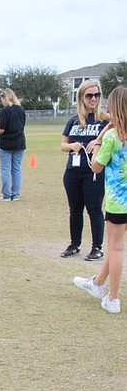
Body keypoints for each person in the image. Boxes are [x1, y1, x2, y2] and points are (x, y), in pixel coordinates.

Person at [73, 84, 127, 315]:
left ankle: (113, 298)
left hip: (118, 201)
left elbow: (96, 166)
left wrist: (96, 146)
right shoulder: (113, 133)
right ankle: (97, 284)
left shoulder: (114, 137)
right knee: (116, 245)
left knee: (114, 248)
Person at [60, 79, 109, 261]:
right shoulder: (73, 121)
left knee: (94, 209)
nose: (93, 99)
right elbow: (63, 145)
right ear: (81, 97)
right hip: (73, 171)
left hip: (94, 172)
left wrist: (98, 143)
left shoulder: (105, 121)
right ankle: (74, 244)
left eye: (96, 95)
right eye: (89, 95)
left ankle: (97, 247)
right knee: (75, 209)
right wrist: (72, 145)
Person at [0, 88, 26, 201]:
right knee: (16, 169)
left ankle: (6, 194)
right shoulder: (21, 110)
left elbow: (1, 129)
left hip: (5, 144)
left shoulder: (5, 111)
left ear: (5, 98)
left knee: (5, 169)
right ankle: (15, 194)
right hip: (19, 142)